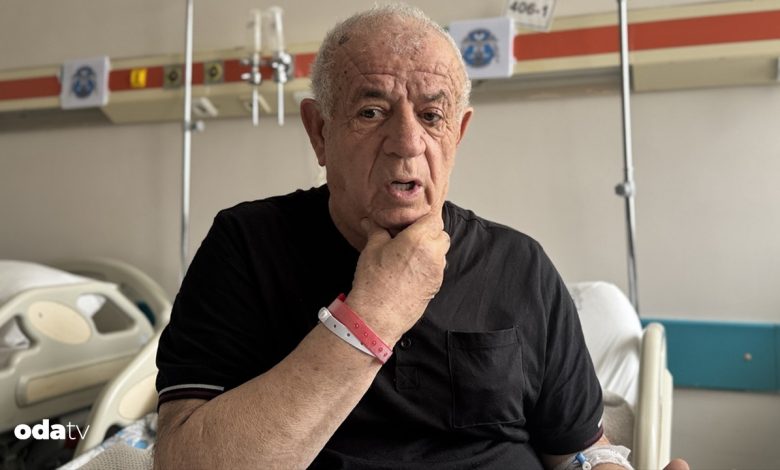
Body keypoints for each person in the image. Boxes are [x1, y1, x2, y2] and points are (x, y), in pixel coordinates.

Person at [153, 4, 688, 469]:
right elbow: (184, 461)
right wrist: (372, 315)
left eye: (432, 115)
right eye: (371, 112)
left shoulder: (519, 264)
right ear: (319, 131)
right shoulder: (247, 246)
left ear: (458, 133)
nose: (407, 142)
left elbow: (579, 450)